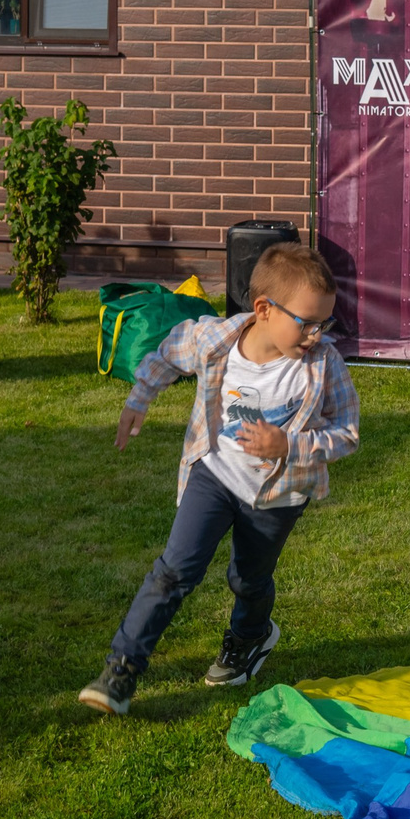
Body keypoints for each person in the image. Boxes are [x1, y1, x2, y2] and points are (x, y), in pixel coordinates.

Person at [79, 242, 359, 713]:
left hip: (279, 493)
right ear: (264, 309)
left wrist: (290, 445)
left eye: (324, 323)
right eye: (307, 322)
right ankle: (121, 670)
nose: (316, 334)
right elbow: (168, 352)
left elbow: (347, 433)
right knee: (173, 572)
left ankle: (250, 637)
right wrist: (138, 398)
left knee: (249, 579)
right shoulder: (215, 340)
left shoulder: (321, 365)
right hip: (215, 474)